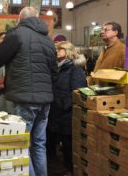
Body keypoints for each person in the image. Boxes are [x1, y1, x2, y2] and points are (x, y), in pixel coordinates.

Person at [0, 6, 58, 176]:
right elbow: (54, 72)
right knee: (39, 143)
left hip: (25, 98)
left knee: (21, 143)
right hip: (45, 100)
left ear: (19, 18)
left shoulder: (17, 34)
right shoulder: (48, 40)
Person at [47, 41, 87, 176]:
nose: (57, 51)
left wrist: (66, 105)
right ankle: (62, 165)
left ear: (69, 51)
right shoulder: (58, 67)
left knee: (68, 142)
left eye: (60, 49)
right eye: (56, 49)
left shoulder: (75, 68)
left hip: (66, 111)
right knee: (59, 141)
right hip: (56, 109)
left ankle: (70, 168)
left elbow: (78, 90)